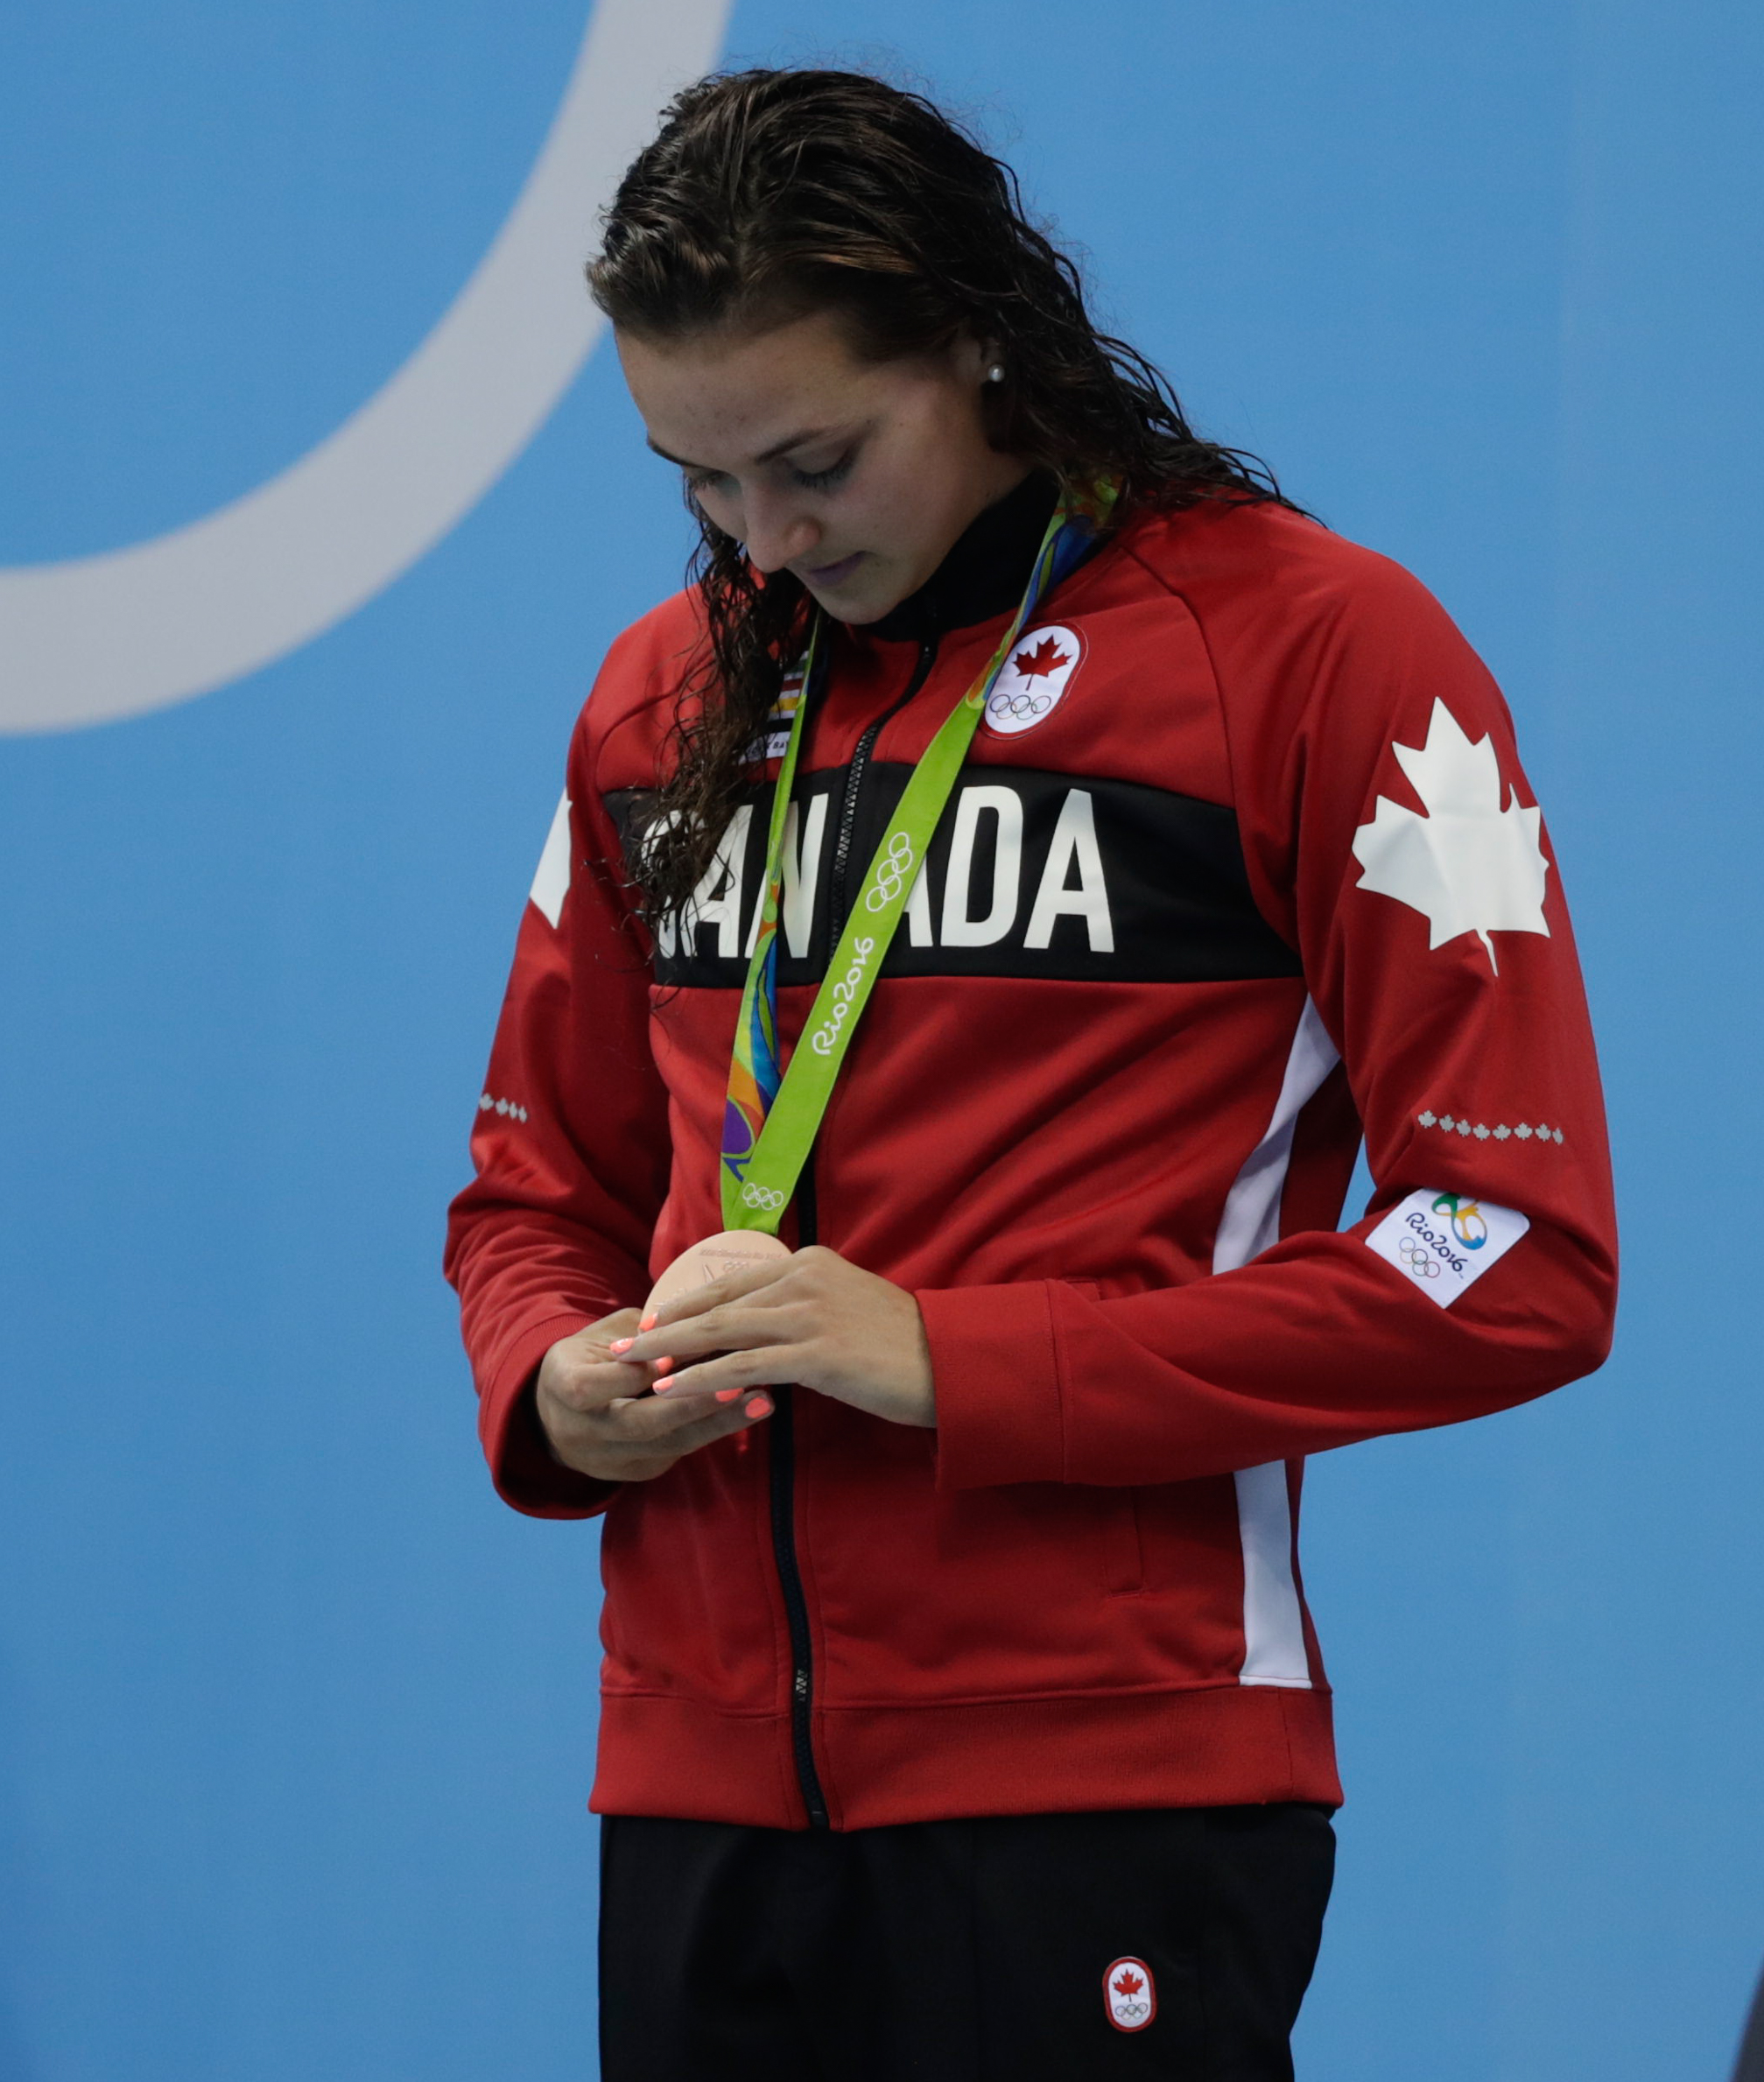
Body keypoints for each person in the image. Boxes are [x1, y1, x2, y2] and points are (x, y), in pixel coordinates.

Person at [443, 67, 1617, 2080]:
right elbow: (533, 1192)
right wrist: (551, 1383)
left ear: (981, 336)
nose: (767, 537)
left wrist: (956, 1357)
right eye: (698, 480)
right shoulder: (666, 693)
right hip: (695, 1787)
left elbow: (1509, 1245)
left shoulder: (1321, 651)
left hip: (1105, 1782)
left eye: (815, 456)